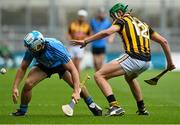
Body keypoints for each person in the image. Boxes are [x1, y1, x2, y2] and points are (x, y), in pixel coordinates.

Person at [71, 3, 175, 116]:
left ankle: (114, 106)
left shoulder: (122, 20)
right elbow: (163, 41)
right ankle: (142, 109)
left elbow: (106, 32)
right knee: (129, 78)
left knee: (99, 75)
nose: (113, 19)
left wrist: (86, 41)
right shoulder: (143, 24)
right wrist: (170, 63)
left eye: (113, 16)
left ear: (119, 13)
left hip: (133, 57)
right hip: (147, 62)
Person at [11, 31, 102, 116]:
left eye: (32, 47)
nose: (30, 50)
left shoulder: (55, 48)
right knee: (28, 84)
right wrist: (15, 87)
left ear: (40, 44)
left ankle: (92, 104)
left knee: (76, 85)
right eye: (29, 47)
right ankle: (22, 111)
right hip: (44, 65)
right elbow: (23, 67)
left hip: (60, 65)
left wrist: (75, 92)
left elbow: (73, 70)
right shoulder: (32, 49)